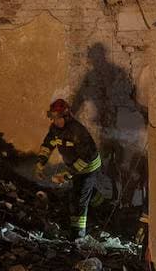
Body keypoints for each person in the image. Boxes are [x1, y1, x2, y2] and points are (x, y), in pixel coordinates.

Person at [41, 98, 103, 239]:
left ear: (66, 116)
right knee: (84, 192)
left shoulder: (77, 131)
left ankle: (78, 235)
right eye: (53, 118)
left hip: (89, 167)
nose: (55, 122)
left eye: (58, 118)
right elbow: (48, 143)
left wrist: (68, 175)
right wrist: (41, 162)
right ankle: (103, 205)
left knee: (80, 199)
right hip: (75, 168)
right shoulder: (55, 129)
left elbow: (86, 158)